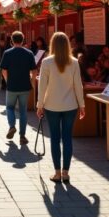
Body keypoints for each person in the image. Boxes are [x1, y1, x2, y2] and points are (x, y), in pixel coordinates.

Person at [36, 32, 85, 183]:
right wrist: (82, 105)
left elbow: (42, 85)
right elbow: (78, 85)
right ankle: (66, 172)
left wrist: (39, 105)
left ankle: (57, 172)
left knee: (55, 139)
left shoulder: (47, 62)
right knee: (67, 138)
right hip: (70, 105)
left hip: (52, 105)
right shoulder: (74, 62)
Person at [0, 31, 37, 145]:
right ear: (23, 39)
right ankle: (22, 136)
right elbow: (34, 70)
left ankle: (12, 126)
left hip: (12, 85)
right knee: (23, 111)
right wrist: (32, 82)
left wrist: (7, 81)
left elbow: (4, 70)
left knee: (10, 107)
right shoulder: (29, 53)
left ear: (11, 39)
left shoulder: (7, 53)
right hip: (25, 85)